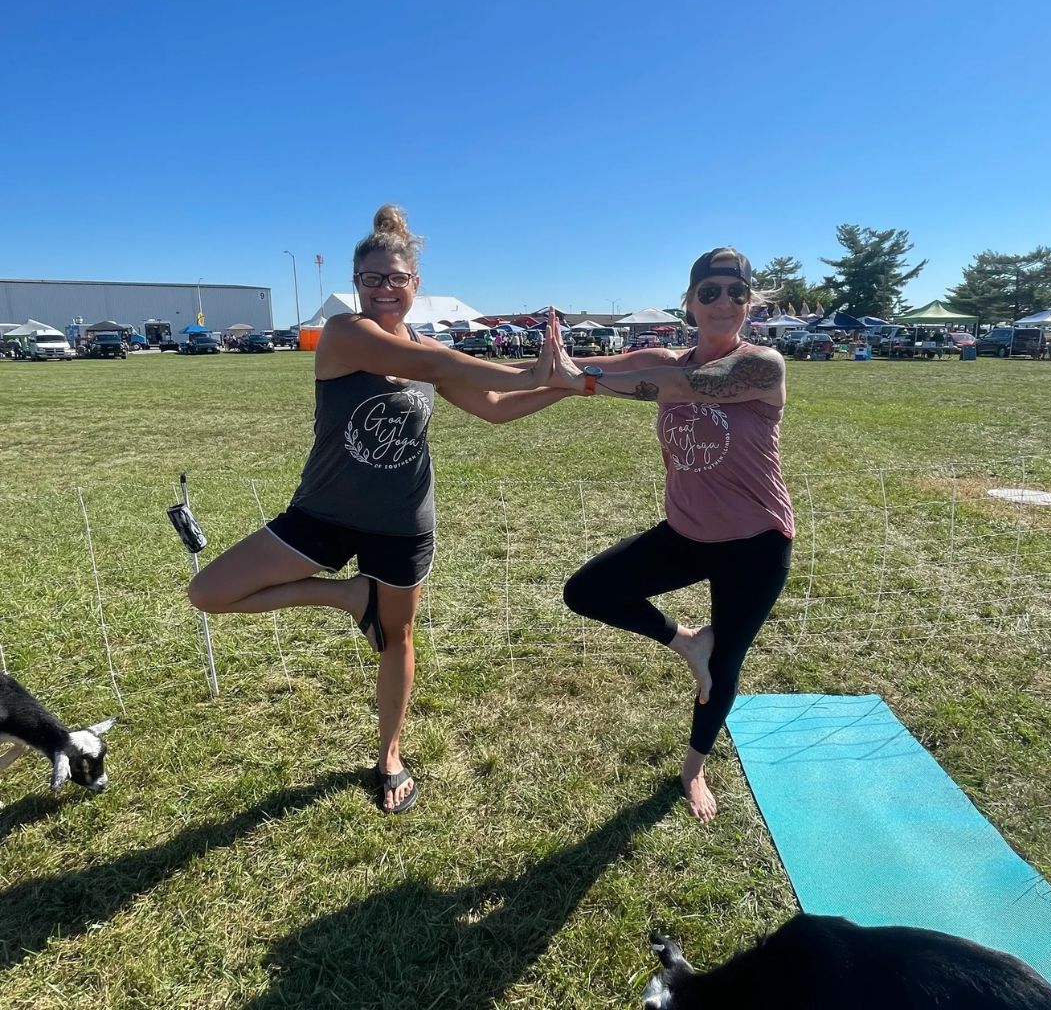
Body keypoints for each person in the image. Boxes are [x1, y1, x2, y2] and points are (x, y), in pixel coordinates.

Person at [188, 204, 576, 814]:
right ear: (357, 287)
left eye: (398, 279)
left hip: (403, 521)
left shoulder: (426, 345)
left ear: (415, 284)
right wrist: (534, 366)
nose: (386, 289)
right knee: (209, 591)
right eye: (373, 280)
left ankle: (389, 752)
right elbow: (432, 366)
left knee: (397, 639)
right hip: (324, 511)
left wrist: (556, 386)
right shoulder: (347, 335)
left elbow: (495, 406)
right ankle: (347, 596)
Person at [557, 247, 794, 824]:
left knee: (727, 662)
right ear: (688, 302)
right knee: (586, 591)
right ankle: (687, 641)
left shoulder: (763, 364)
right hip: (686, 533)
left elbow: (676, 386)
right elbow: (598, 366)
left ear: (749, 303)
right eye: (708, 292)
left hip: (755, 542)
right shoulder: (665, 355)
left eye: (735, 293)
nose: (722, 303)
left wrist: (579, 382)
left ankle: (693, 767)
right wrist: (552, 364)